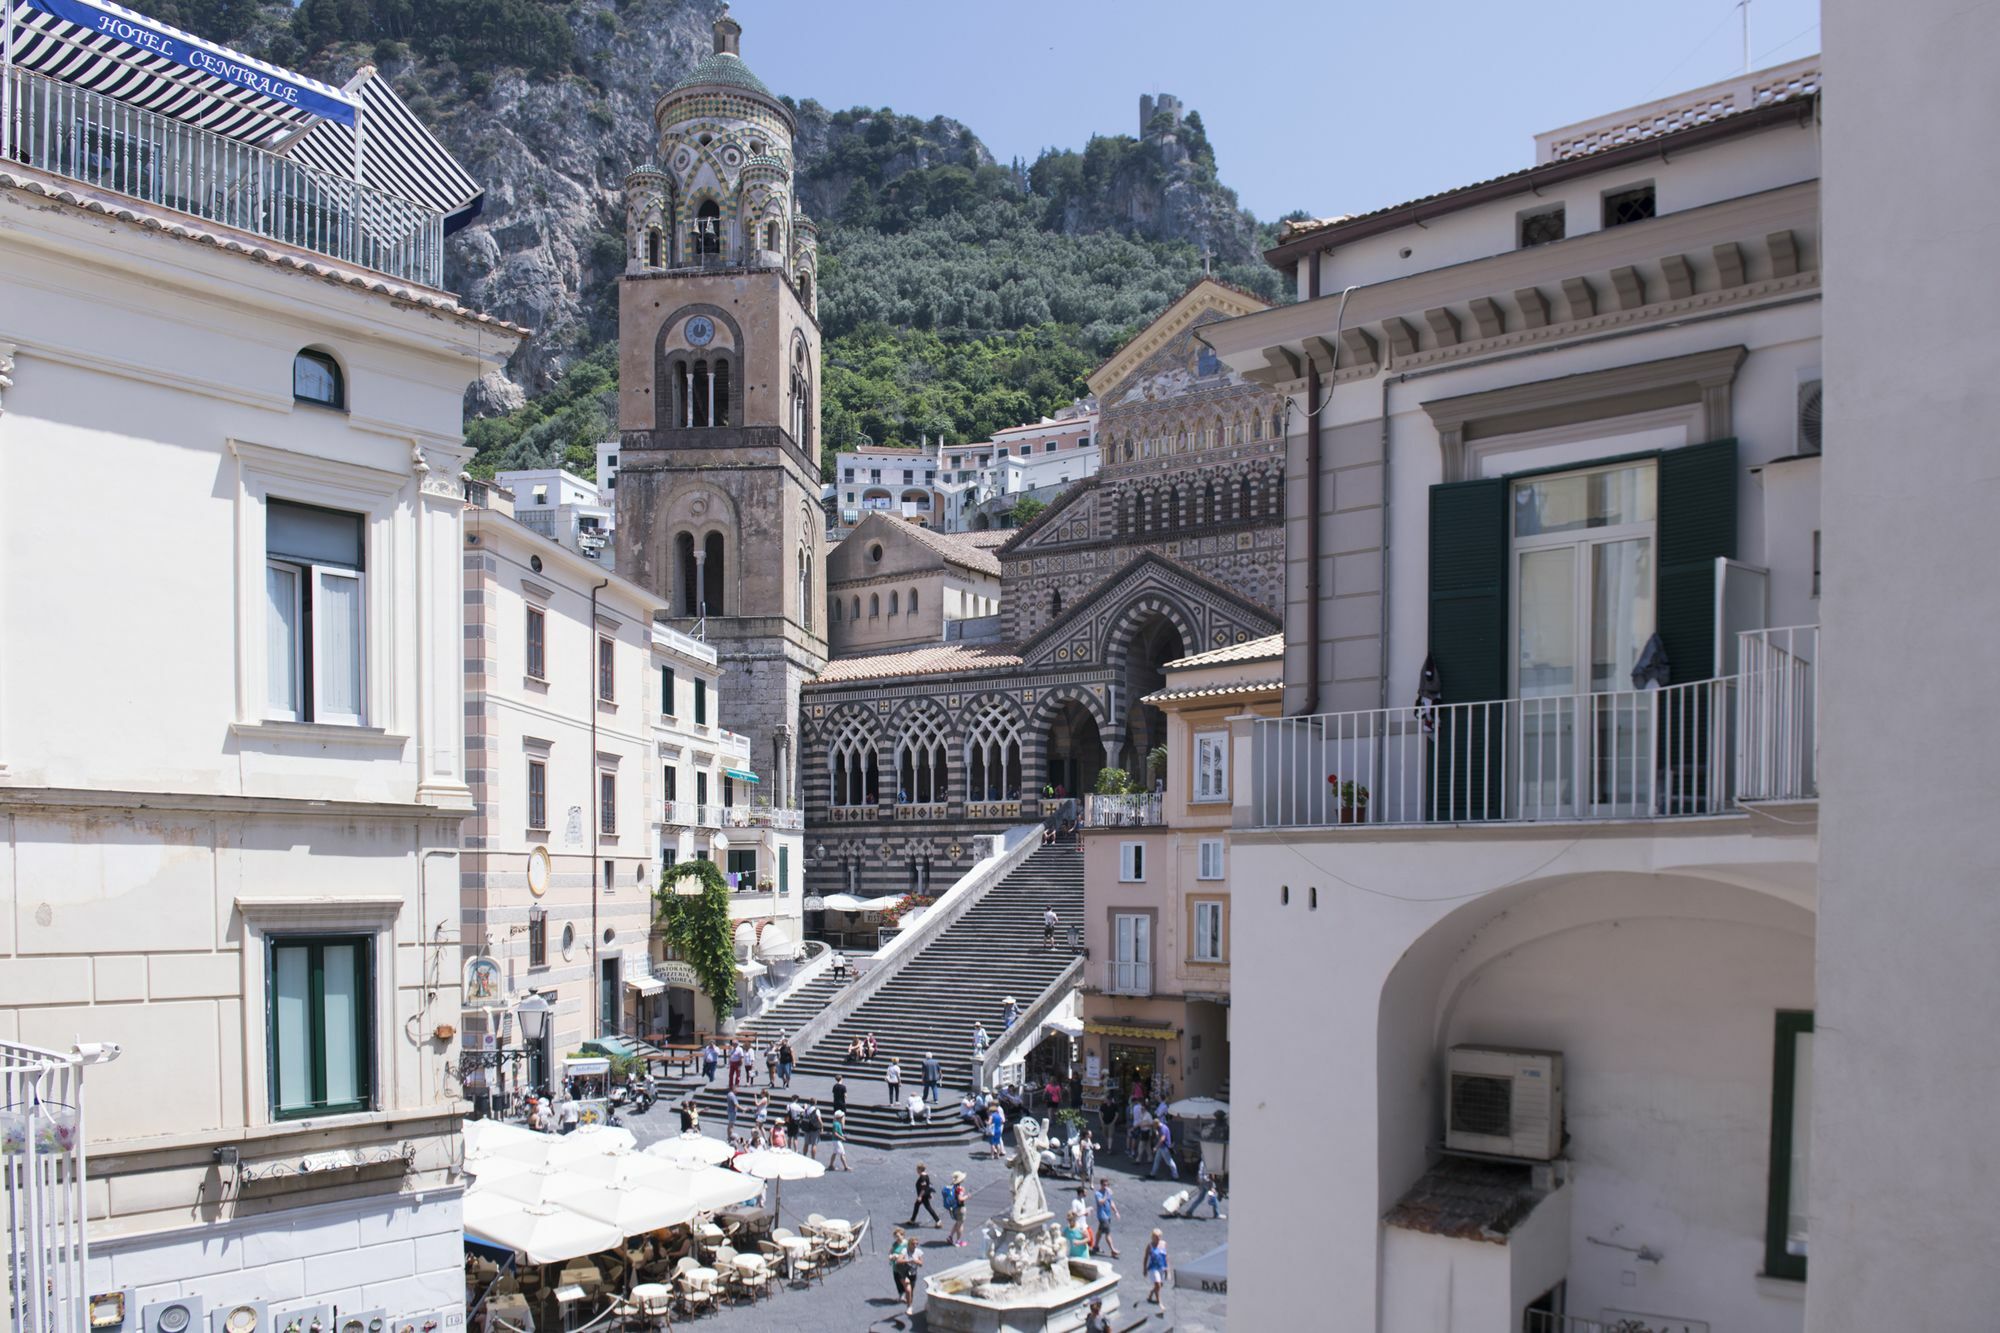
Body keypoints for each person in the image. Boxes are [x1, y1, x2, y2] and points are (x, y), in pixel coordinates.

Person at [890, 1226, 923, 1316]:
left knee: (911, 1290)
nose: (915, 1245)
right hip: (903, 1271)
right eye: (913, 1244)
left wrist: (917, 1262)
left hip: (913, 1273)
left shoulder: (918, 1252)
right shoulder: (904, 1250)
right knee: (908, 1289)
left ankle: (909, 1303)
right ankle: (909, 1306)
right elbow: (899, 1260)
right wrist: (908, 1260)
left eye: (917, 1244)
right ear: (910, 1244)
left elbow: (921, 1263)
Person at [1092, 1178, 1121, 1259]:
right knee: (1108, 1233)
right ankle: (1112, 1250)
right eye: (1104, 1185)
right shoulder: (1098, 1193)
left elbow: (1111, 1202)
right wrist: (1106, 1195)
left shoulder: (1107, 1193)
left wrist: (1116, 1211)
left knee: (1100, 1231)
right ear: (1101, 1185)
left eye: (1107, 1185)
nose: (1106, 1187)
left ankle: (1095, 1246)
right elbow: (1101, 1202)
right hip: (1102, 1216)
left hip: (1108, 1215)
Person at [906, 1162, 941, 1227]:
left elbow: (923, 1188)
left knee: (928, 1207)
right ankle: (912, 1220)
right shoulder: (926, 1175)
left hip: (923, 1196)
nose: (916, 1170)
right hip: (925, 1194)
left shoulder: (922, 1177)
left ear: (919, 1169)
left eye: (917, 1169)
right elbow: (928, 1184)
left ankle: (938, 1221)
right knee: (917, 1205)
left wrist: (920, 1196)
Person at [1148, 1113, 1179, 1180]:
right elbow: (1159, 1136)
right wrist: (1156, 1132)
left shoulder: (1163, 1129)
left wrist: (1156, 1147)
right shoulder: (1160, 1127)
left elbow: (1162, 1139)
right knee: (1157, 1160)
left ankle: (1175, 1176)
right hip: (1161, 1148)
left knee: (1169, 1162)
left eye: (1154, 1126)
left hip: (1164, 1148)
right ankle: (1152, 1174)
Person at [1143, 1229, 1170, 1305]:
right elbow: (1146, 1257)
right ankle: (1159, 1301)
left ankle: (1151, 1294)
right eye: (1156, 1237)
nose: (1158, 1238)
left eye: (1159, 1236)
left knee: (1160, 1285)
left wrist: (1167, 1269)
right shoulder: (1150, 1246)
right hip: (1153, 1268)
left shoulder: (1164, 1244)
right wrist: (1144, 1269)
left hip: (1161, 1267)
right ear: (1153, 1237)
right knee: (1157, 1284)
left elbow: (1166, 1256)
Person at [944, 1170, 970, 1246]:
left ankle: (950, 1237)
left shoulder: (952, 1187)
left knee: (957, 1222)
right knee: (960, 1224)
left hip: (953, 1207)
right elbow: (960, 1199)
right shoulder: (960, 1188)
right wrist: (967, 1196)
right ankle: (958, 1241)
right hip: (960, 1208)